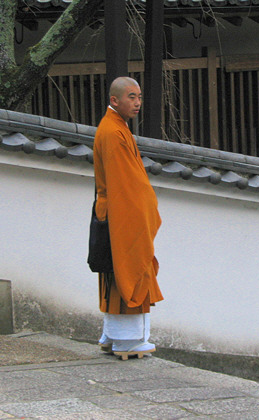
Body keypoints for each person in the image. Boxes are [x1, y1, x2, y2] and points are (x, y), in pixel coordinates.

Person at [92, 76, 163, 360]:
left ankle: (112, 335)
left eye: (140, 97)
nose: (137, 103)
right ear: (114, 100)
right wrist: (145, 210)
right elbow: (127, 185)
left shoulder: (116, 128)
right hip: (122, 214)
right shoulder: (113, 132)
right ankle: (127, 340)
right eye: (131, 97)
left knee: (114, 271)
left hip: (115, 211)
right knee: (127, 268)